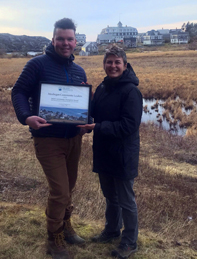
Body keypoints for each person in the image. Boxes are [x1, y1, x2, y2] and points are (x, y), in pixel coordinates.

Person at [11, 18, 87, 259]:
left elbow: (82, 104)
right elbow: (19, 91)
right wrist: (26, 117)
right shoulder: (37, 65)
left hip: (74, 139)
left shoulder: (78, 71)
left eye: (70, 39)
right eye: (61, 39)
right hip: (48, 140)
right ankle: (53, 238)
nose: (65, 43)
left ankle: (66, 225)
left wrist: (87, 120)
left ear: (76, 41)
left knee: (69, 187)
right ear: (53, 40)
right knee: (60, 191)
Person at [78, 45, 143, 259]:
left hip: (123, 154)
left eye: (117, 62)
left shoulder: (131, 91)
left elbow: (129, 126)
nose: (113, 66)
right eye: (109, 62)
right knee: (110, 197)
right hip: (104, 151)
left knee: (125, 200)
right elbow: (94, 113)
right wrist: (85, 96)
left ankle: (130, 241)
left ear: (125, 65)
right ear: (104, 64)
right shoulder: (104, 87)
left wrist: (98, 127)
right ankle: (112, 230)